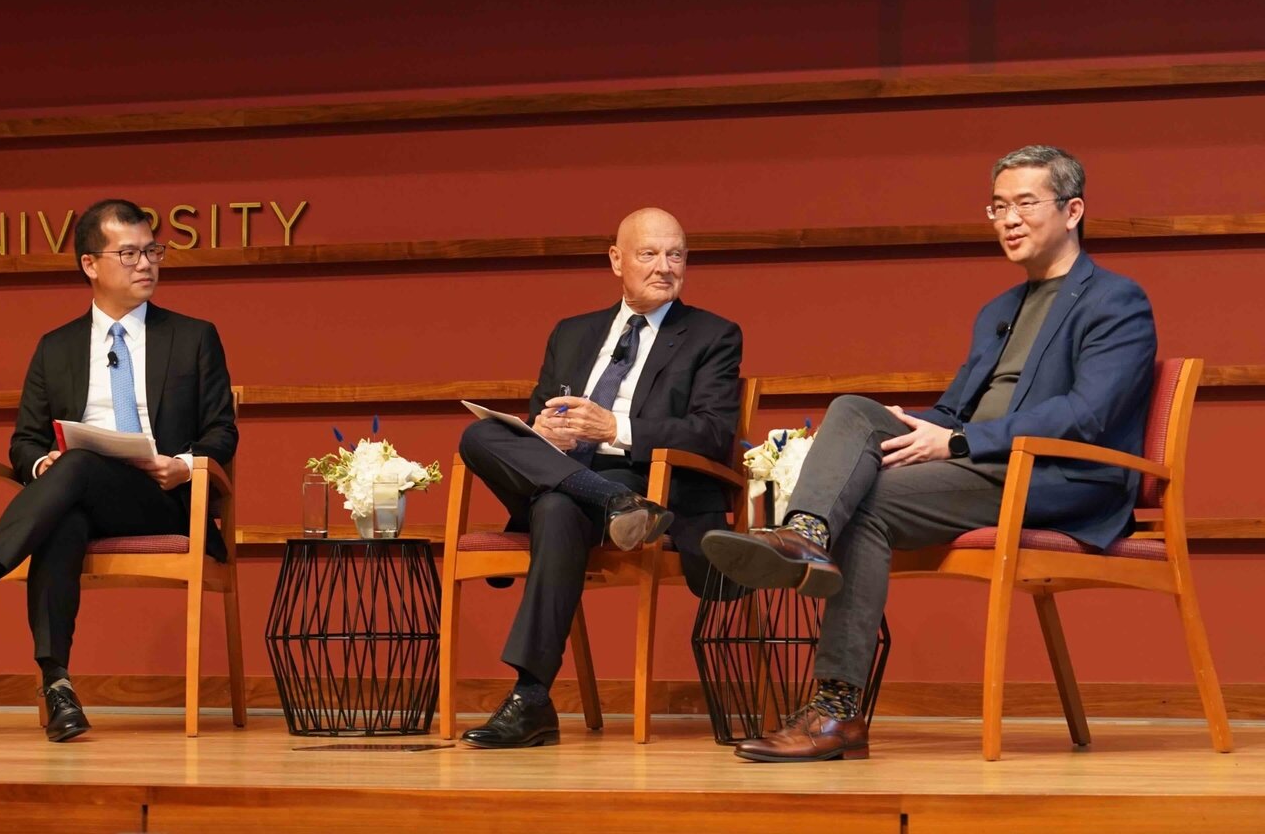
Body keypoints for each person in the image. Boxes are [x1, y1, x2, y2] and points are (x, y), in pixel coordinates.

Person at [702, 145, 1157, 762]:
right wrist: (914, 427)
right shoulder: (999, 310)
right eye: (998, 207)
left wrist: (960, 440)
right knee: (853, 409)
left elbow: (1089, 414)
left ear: (1073, 210)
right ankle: (805, 533)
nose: (1009, 220)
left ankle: (836, 709)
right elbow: (954, 412)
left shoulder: (1116, 301)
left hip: (1057, 476)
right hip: (979, 466)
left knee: (865, 508)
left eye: (1025, 203)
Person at [0, 198, 238, 742]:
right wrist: (40, 462)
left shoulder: (194, 336)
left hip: (161, 498)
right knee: (66, 510)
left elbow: (223, 432)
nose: (146, 264)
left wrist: (180, 466)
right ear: (89, 264)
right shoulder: (55, 348)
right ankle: (58, 687)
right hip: (80, 497)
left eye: (152, 250)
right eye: (128, 253)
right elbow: (25, 441)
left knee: (76, 472)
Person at [455, 207, 744, 748]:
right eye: (649, 254)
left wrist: (617, 426)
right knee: (479, 437)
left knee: (556, 508)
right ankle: (609, 499)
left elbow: (711, 433)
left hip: (652, 484)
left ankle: (532, 698)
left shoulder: (713, 335)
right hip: (581, 477)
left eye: (676, 255)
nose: (665, 267)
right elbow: (541, 415)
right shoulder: (572, 333)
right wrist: (545, 430)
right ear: (616, 260)